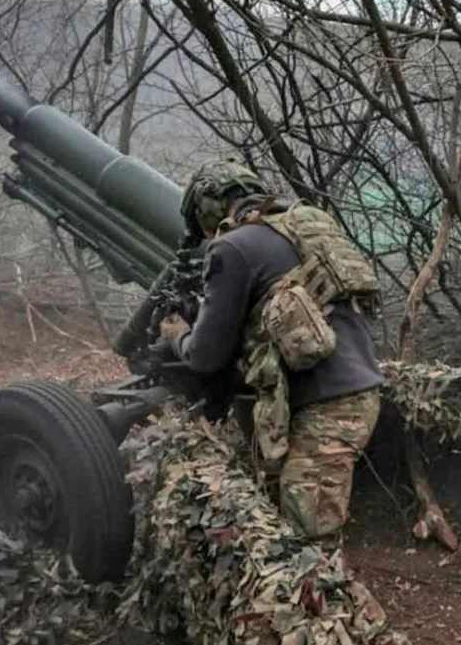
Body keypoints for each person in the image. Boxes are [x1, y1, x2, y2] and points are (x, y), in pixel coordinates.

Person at [157, 159, 385, 543]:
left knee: (305, 545)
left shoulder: (232, 247)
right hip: (355, 391)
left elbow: (205, 356)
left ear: (208, 208)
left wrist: (176, 336)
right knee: (291, 519)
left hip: (326, 410)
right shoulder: (303, 225)